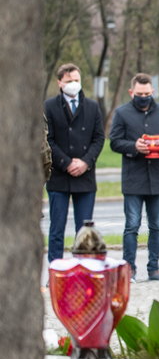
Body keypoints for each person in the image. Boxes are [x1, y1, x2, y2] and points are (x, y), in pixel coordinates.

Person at [109, 73, 159, 281]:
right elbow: (114, 141)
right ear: (132, 93)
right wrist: (134, 146)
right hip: (134, 179)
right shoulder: (122, 113)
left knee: (157, 226)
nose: (144, 97)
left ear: (153, 92)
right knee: (132, 225)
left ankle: (154, 269)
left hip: (158, 178)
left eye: (147, 93)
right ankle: (128, 270)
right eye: (140, 94)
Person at [45, 63, 105, 262]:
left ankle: (85, 269)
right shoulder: (49, 107)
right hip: (59, 176)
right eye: (69, 81)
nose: (73, 84)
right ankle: (55, 270)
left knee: (85, 230)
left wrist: (86, 162)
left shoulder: (92, 107)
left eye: (76, 80)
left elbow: (98, 138)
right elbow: (48, 139)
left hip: (85, 177)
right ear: (59, 82)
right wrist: (66, 162)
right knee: (57, 229)